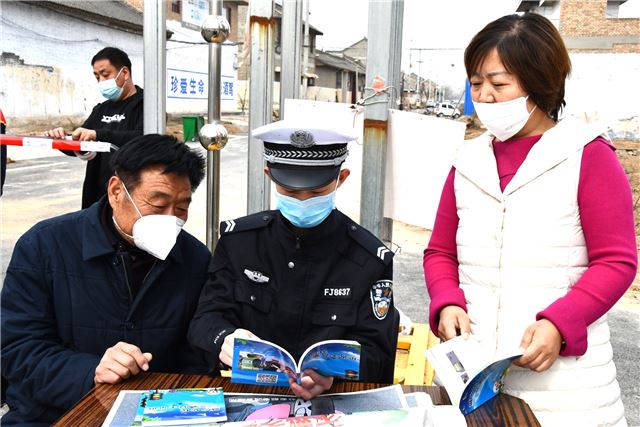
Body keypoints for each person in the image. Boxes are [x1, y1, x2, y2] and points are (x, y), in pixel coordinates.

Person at [423, 13, 637, 426]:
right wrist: (446, 300)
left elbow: (617, 261)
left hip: (567, 392)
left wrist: (561, 322)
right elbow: (440, 251)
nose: (485, 96)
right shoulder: (467, 161)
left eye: (499, 84)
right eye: (476, 83)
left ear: (540, 82)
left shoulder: (588, 155)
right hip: (473, 378)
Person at [1, 134, 211, 426]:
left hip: (155, 414)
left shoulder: (194, 259)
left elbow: (197, 356)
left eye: (181, 207)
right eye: (158, 203)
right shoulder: (45, 246)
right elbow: (16, 349)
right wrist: (91, 371)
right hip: (50, 414)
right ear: (116, 191)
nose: (169, 217)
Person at [188, 120, 398, 400]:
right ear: (270, 176)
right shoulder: (240, 243)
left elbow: (378, 352)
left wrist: (334, 373)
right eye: (290, 191)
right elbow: (205, 319)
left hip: (330, 399)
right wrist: (224, 338)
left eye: (316, 192)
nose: (303, 201)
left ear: (341, 178)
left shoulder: (368, 258)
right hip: (252, 393)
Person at [44, 47, 143, 209]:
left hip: (132, 196)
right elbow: (81, 146)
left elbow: (142, 139)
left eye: (105, 74)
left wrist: (97, 135)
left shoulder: (146, 104)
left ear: (125, 73)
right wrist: (62, 139)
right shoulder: (100, 110)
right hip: (97, 198)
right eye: (97, 77)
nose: (101, 81)